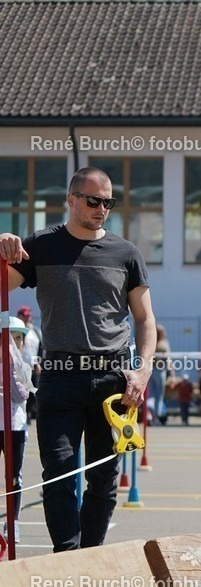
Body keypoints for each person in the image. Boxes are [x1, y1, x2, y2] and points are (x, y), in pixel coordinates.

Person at [0, 166, 156, 553]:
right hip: (59, 376)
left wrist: (143, 370)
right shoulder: (39, 246)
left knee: (104, 479)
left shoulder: (126, 253)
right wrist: (0, 247)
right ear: (71, 199)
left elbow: (146, 319)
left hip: (113, 379)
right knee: (58, 474)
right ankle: (66, 559)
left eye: (108, 202)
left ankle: (91, 557)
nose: (102, 208)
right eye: (93, 200)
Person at [1, 317, 34, 543]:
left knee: (14, 477)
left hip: (15, 428)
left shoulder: (23, 366)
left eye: (18, 339)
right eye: (9, 339)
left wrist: (12, 373)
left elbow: (22, 395)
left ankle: (13, 522)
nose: (14, 344)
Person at [17, 305, 41, 423]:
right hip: (18, 367)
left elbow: (38, 348)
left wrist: (37, 363)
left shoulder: (35, 332)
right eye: (25, 316)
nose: (27, 319)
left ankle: (29, 412)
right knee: (20, 391)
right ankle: (22, 413)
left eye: (28, 316)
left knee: (33, 392)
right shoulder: (15, 330)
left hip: (31, 367)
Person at [148, 324, 171, 425]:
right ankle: (157, 417)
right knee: (159, 396)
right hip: (160, 372)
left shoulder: (152, 343)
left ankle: (149, 415)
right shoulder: (164, 344)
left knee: (151, 395)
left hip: (151, 371)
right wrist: (172, 373)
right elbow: (168, 360)